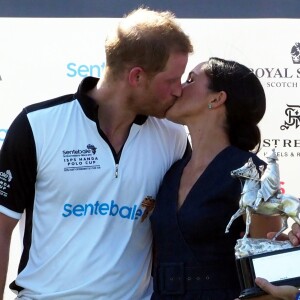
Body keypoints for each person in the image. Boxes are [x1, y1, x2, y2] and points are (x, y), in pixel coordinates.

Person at [0, 7, 193, 300]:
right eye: (172, 80)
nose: (179, 91)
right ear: (137, 77)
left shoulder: (175, 136)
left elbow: (181, 232)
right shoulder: (38, 125)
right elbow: (1, 228)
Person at [150, 57, 282, 299]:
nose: (178, 88)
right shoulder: (171, 171)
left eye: (190, 80)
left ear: (216, 99)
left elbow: (271, 276)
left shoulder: (253, 173)